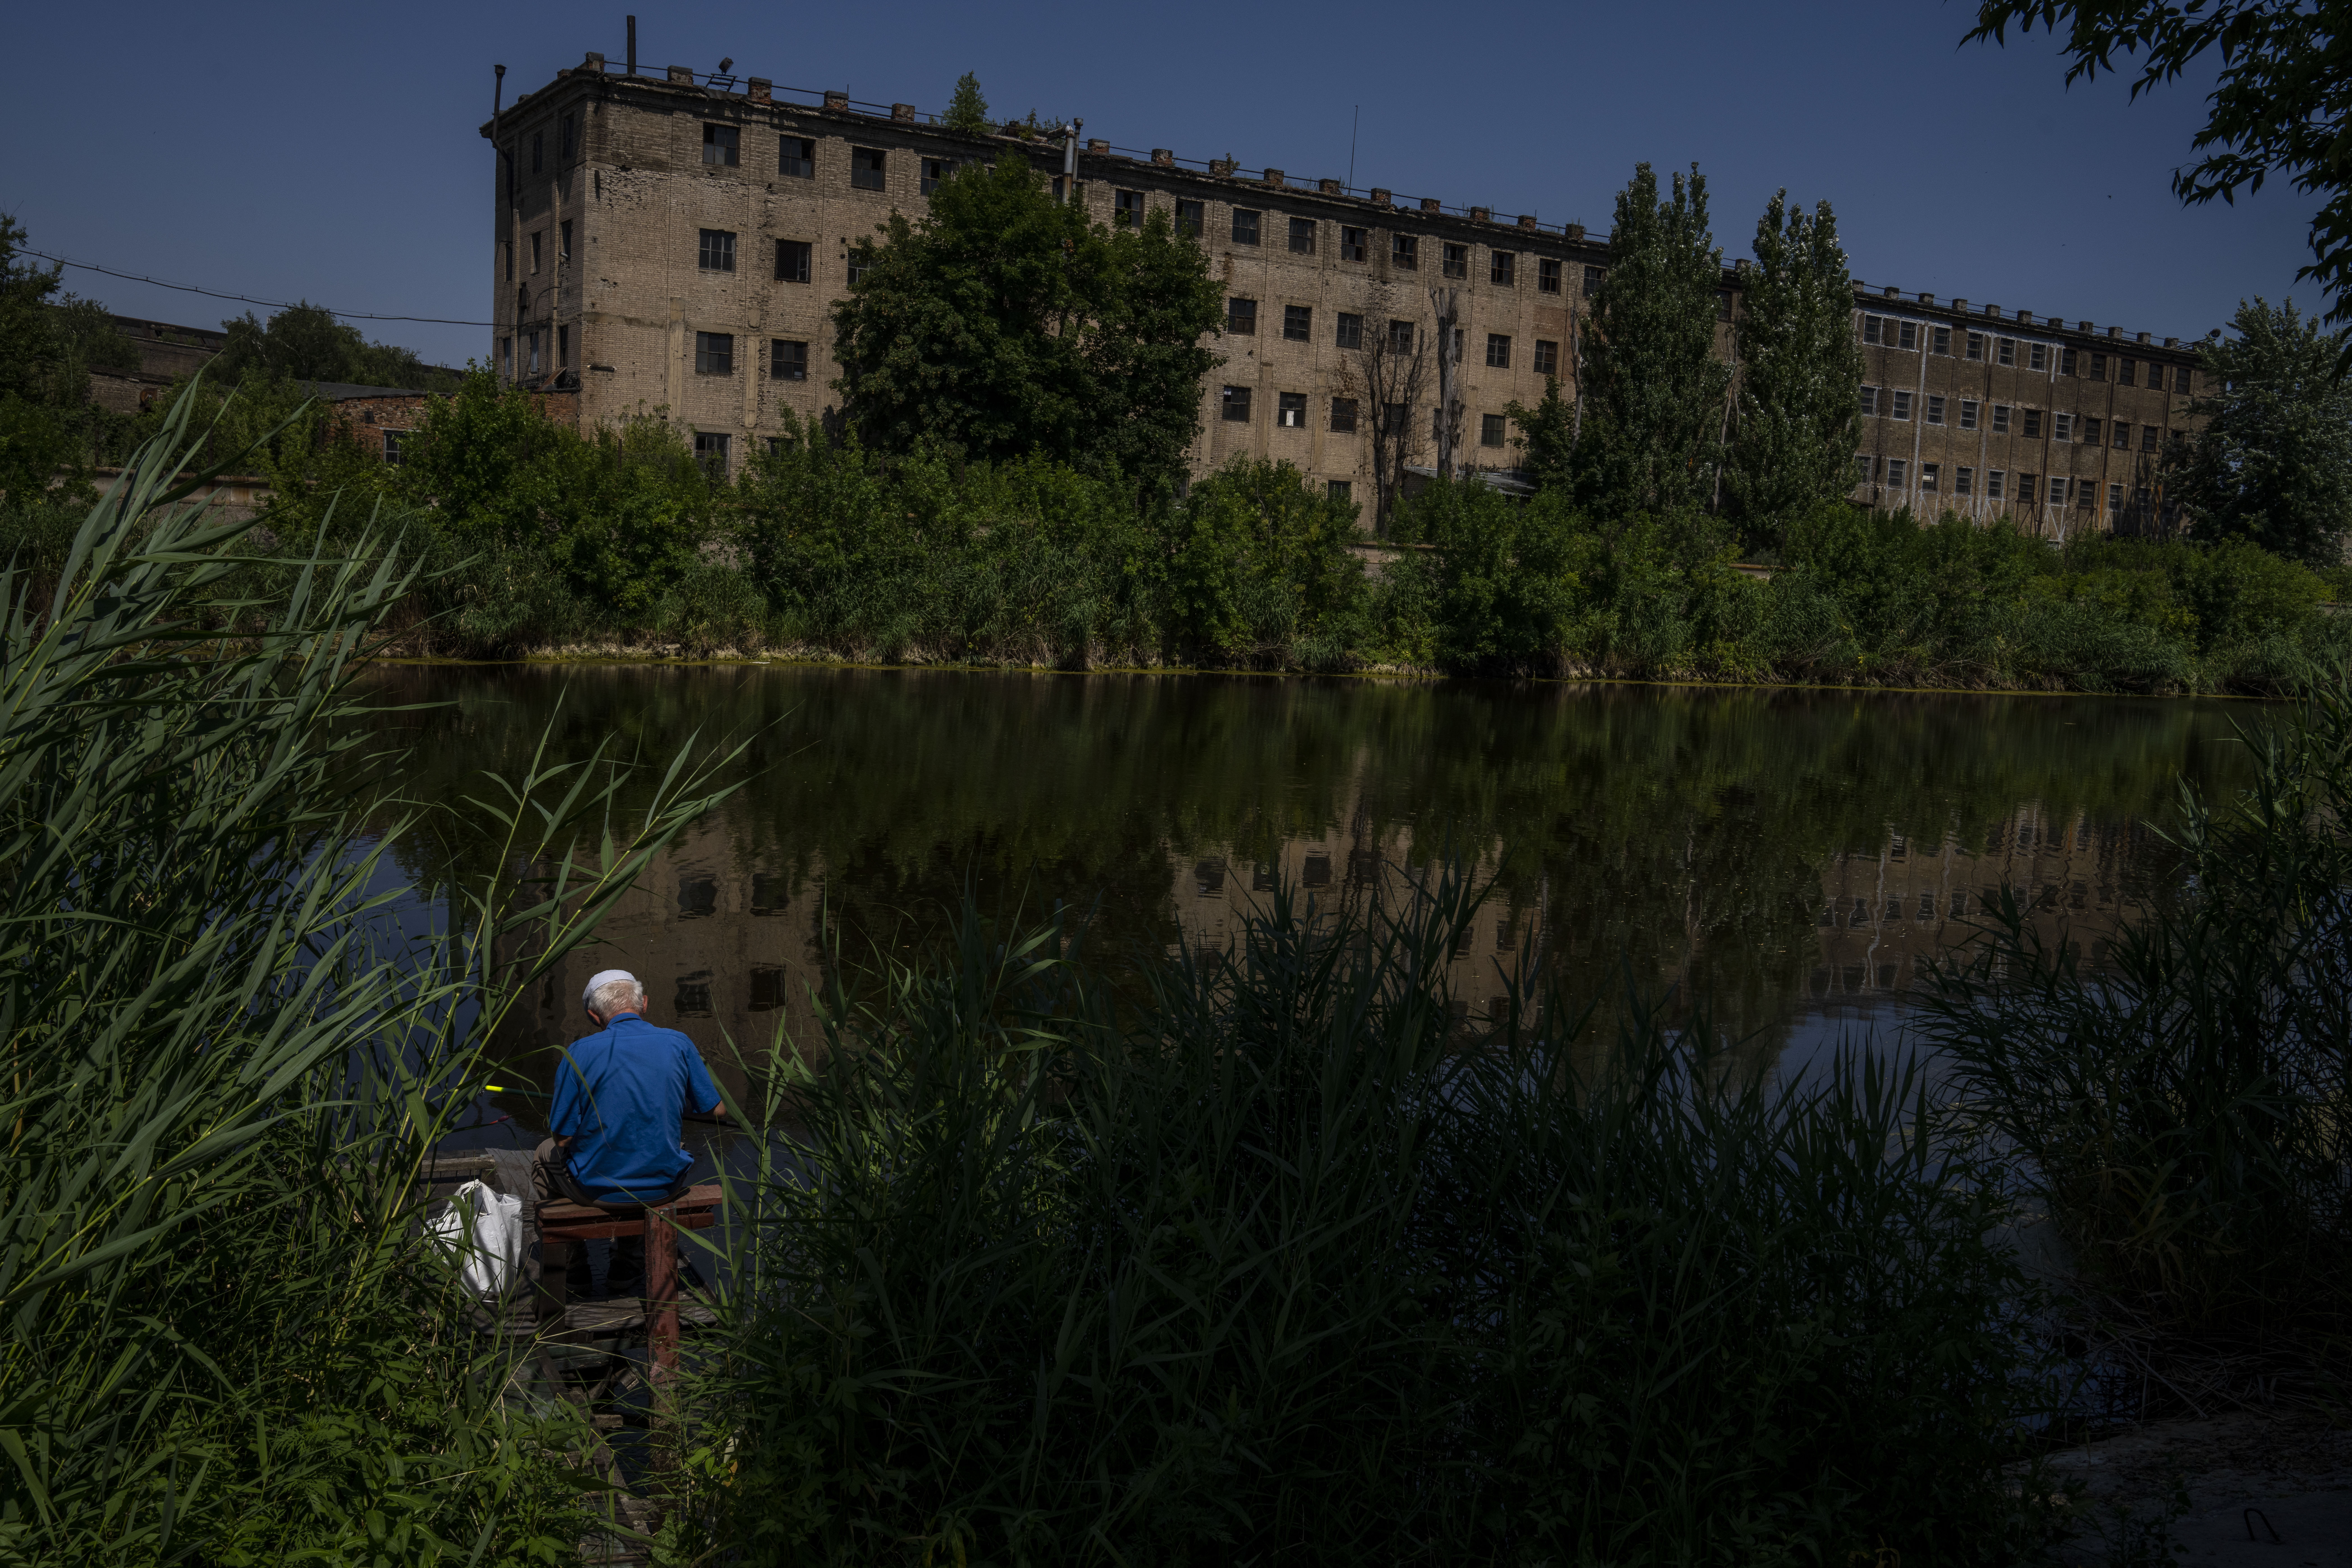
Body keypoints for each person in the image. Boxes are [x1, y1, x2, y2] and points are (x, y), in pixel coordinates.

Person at [532, 968, 727, 1299]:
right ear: (644, 1004)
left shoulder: (578, 1052)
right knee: (654, 1148)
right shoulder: (679, 1042)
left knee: (543, 1152)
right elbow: (717, 1111)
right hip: (663, 1188)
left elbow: (563, 1138)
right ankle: (627, 1266)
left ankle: (574, 1265)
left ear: (594, 1016)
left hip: (599, 1190)